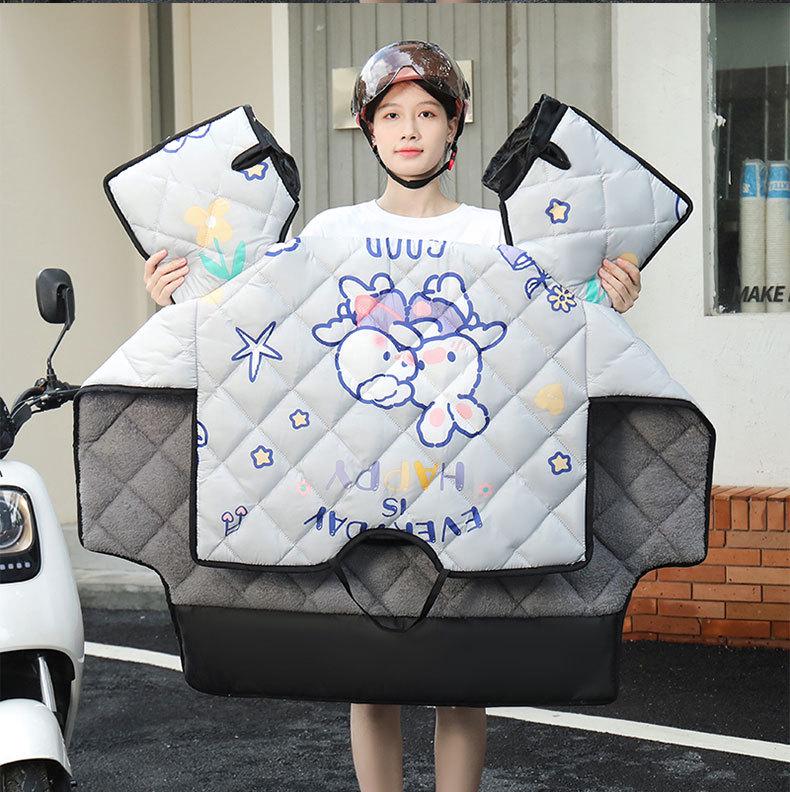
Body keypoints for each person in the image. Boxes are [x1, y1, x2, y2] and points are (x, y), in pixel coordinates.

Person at [141, 40, 641, 792]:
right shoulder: (329, 233)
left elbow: (547, 335)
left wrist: (609, 301)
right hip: (358, 485)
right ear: (369, 130)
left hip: (465, 485)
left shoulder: (495, 233)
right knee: (369, 674)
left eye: (428, 113)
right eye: (392, 115)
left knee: (461, 677)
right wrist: (180, 300)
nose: (410, 129)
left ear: (454, 126)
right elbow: (267, 329)